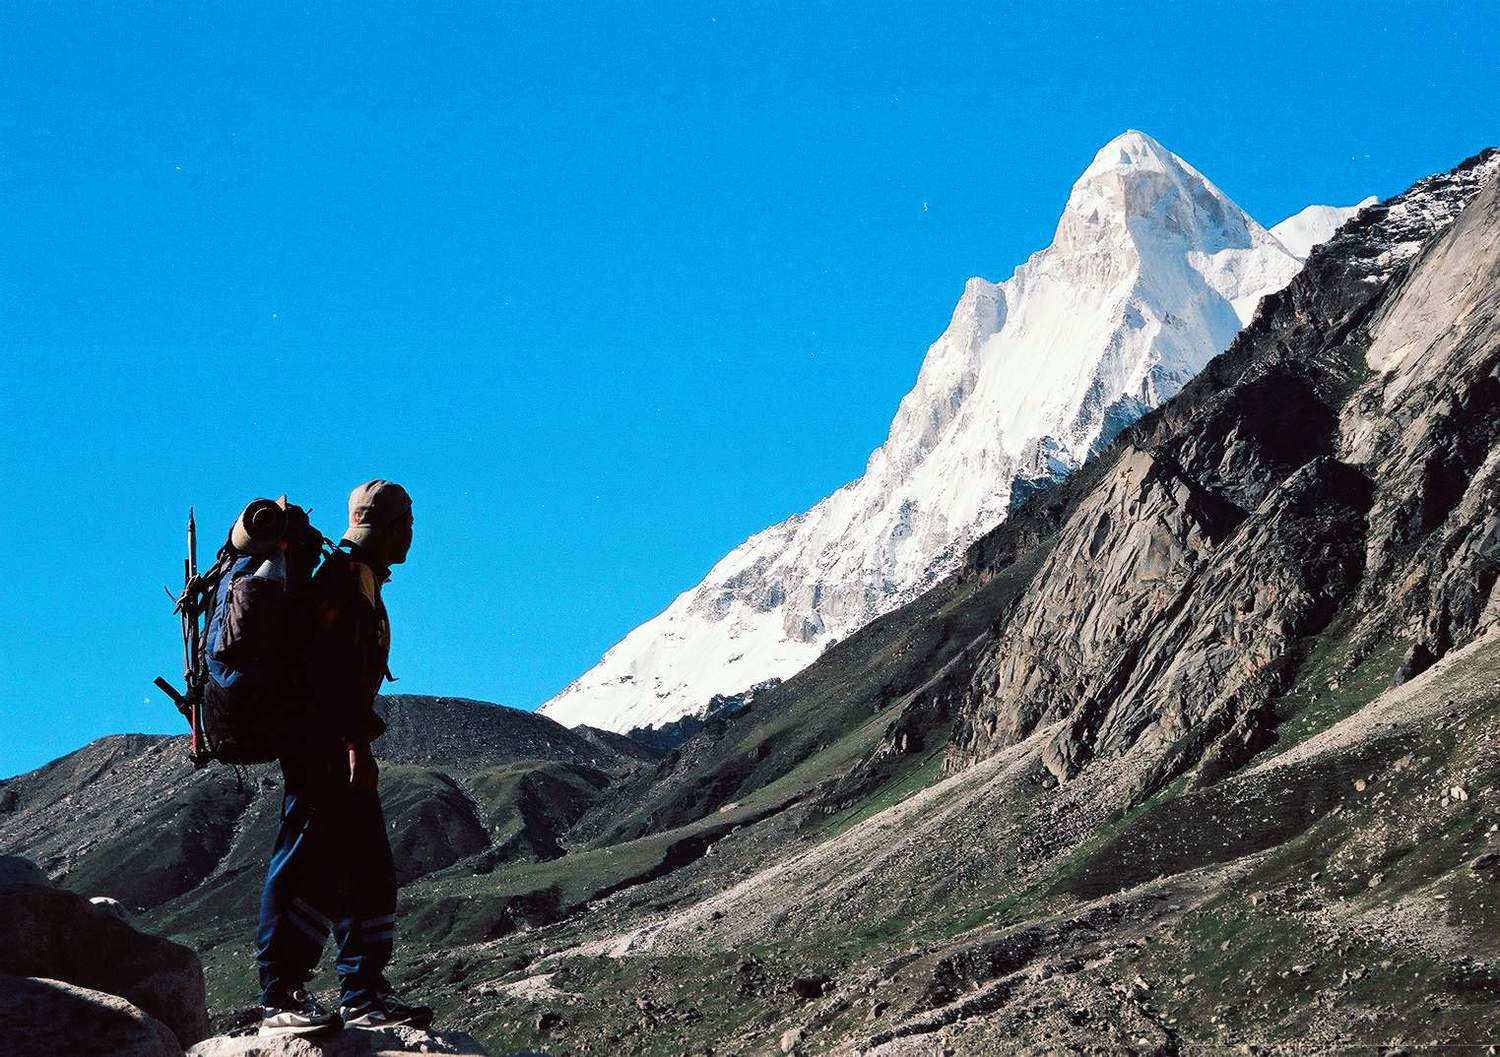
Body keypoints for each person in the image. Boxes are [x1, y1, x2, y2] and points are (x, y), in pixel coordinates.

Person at [254, 479, 431, 1036]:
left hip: (328, 740)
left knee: (362, 865)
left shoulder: (357, 577)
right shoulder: (345, 580)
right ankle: (280, 993)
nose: (411, 535)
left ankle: (362, 992)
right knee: (306, 858)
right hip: (322, 743)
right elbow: (330, 671)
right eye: (406, 523)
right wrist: (355, 743)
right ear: (387, 527)